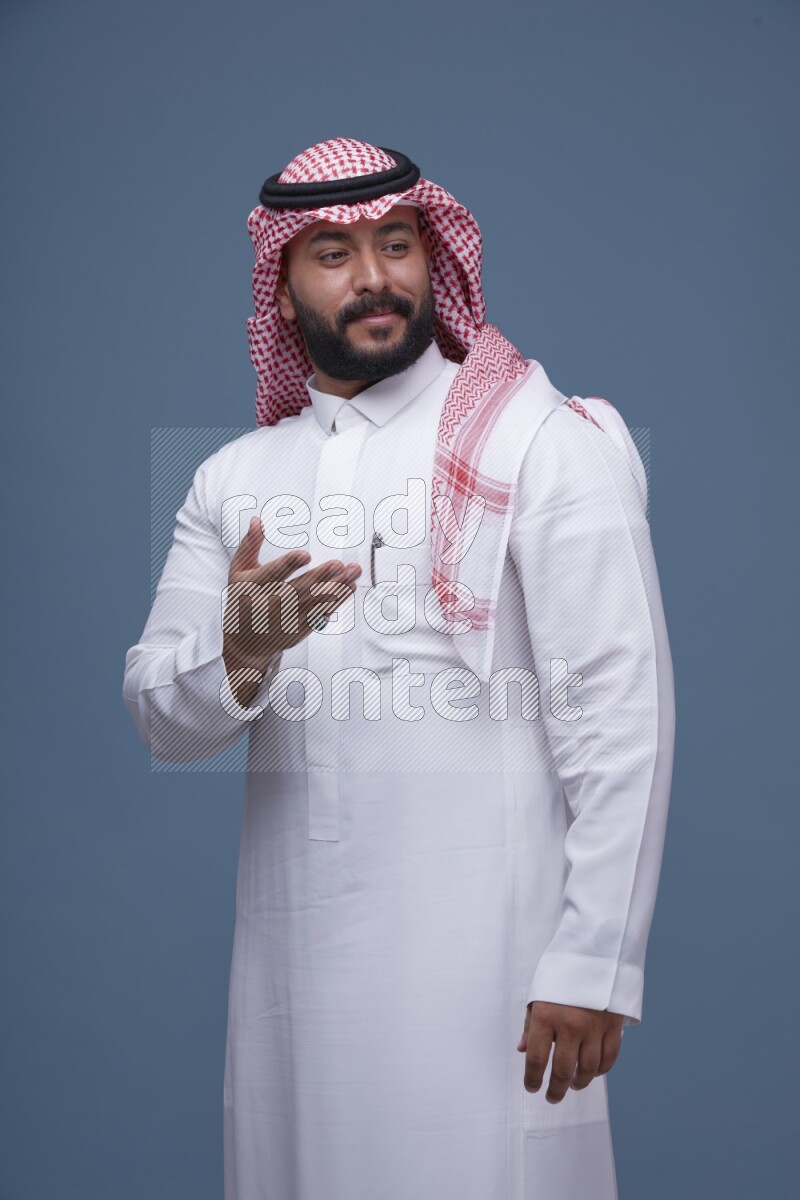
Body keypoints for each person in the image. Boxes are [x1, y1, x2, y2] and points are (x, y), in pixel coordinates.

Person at [122, 137, 675, 1200]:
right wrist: (237, 651)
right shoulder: (234, 478)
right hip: (292, 976)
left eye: (394, 243)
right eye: (331, 252)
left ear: (435, 255)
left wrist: (594, 959)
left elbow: (618, 710)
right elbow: (161, 717)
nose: (372, 277)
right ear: (279, 287)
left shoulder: (537, 440)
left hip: (494, 969)